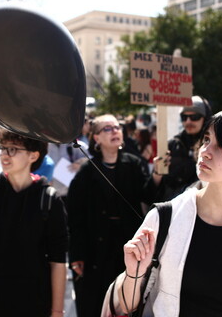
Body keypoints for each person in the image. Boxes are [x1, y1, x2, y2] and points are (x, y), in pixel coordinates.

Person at [104, 108, 222, 317]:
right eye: (206, 139)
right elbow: (126, 305)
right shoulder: (164, 218)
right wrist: (134, 273)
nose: (205, 151)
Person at [0, 129, 68, 317]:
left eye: (13, 149)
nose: (5, 155)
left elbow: (57, 260)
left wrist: (57, 311)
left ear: (33, 155)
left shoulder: (49, 200)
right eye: (2, 148)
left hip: (33, 305)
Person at [67, 114, 149, 317]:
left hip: (127, 245)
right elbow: (74, 216)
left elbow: (149, 196)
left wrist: (157, 174)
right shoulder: (86, 171)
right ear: (96, 138)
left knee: (128, 303)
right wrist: (76, 255)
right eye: (107, 128)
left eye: (117, 127)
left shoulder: (134, 164)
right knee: (95, 301)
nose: (115, 131)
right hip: (95, 249)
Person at [144, 95, 211, 204]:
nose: (188, 121)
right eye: (184, 117)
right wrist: (157, 172)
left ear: (205, 118)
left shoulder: (213, 146)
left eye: (195, 117)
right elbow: (151, 192)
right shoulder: (172, 145)